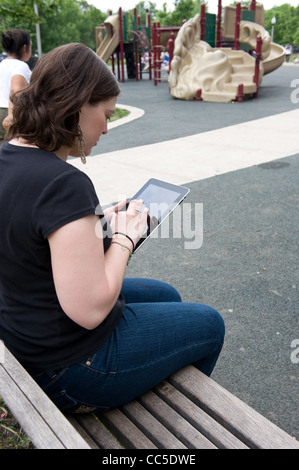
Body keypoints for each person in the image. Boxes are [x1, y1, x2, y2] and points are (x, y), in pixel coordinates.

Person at [0, 43, 224, 414]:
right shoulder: (63, 182)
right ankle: (178, 424)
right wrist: (124, 236)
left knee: (165, 293)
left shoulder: (9, 156)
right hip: (66, 370)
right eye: (104, 114)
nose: (106, 126)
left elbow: (33, 235)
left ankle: (148, 376)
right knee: (210, 324)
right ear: (76, 106)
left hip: (26, 335)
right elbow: (88, 310)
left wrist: (96, 222)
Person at [0, 29, 32, 146]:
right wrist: (12, 115)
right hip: (10, 112)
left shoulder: (1, 64)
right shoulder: (21, 66)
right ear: (25, 48)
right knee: (13, 150)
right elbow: (16, 90)